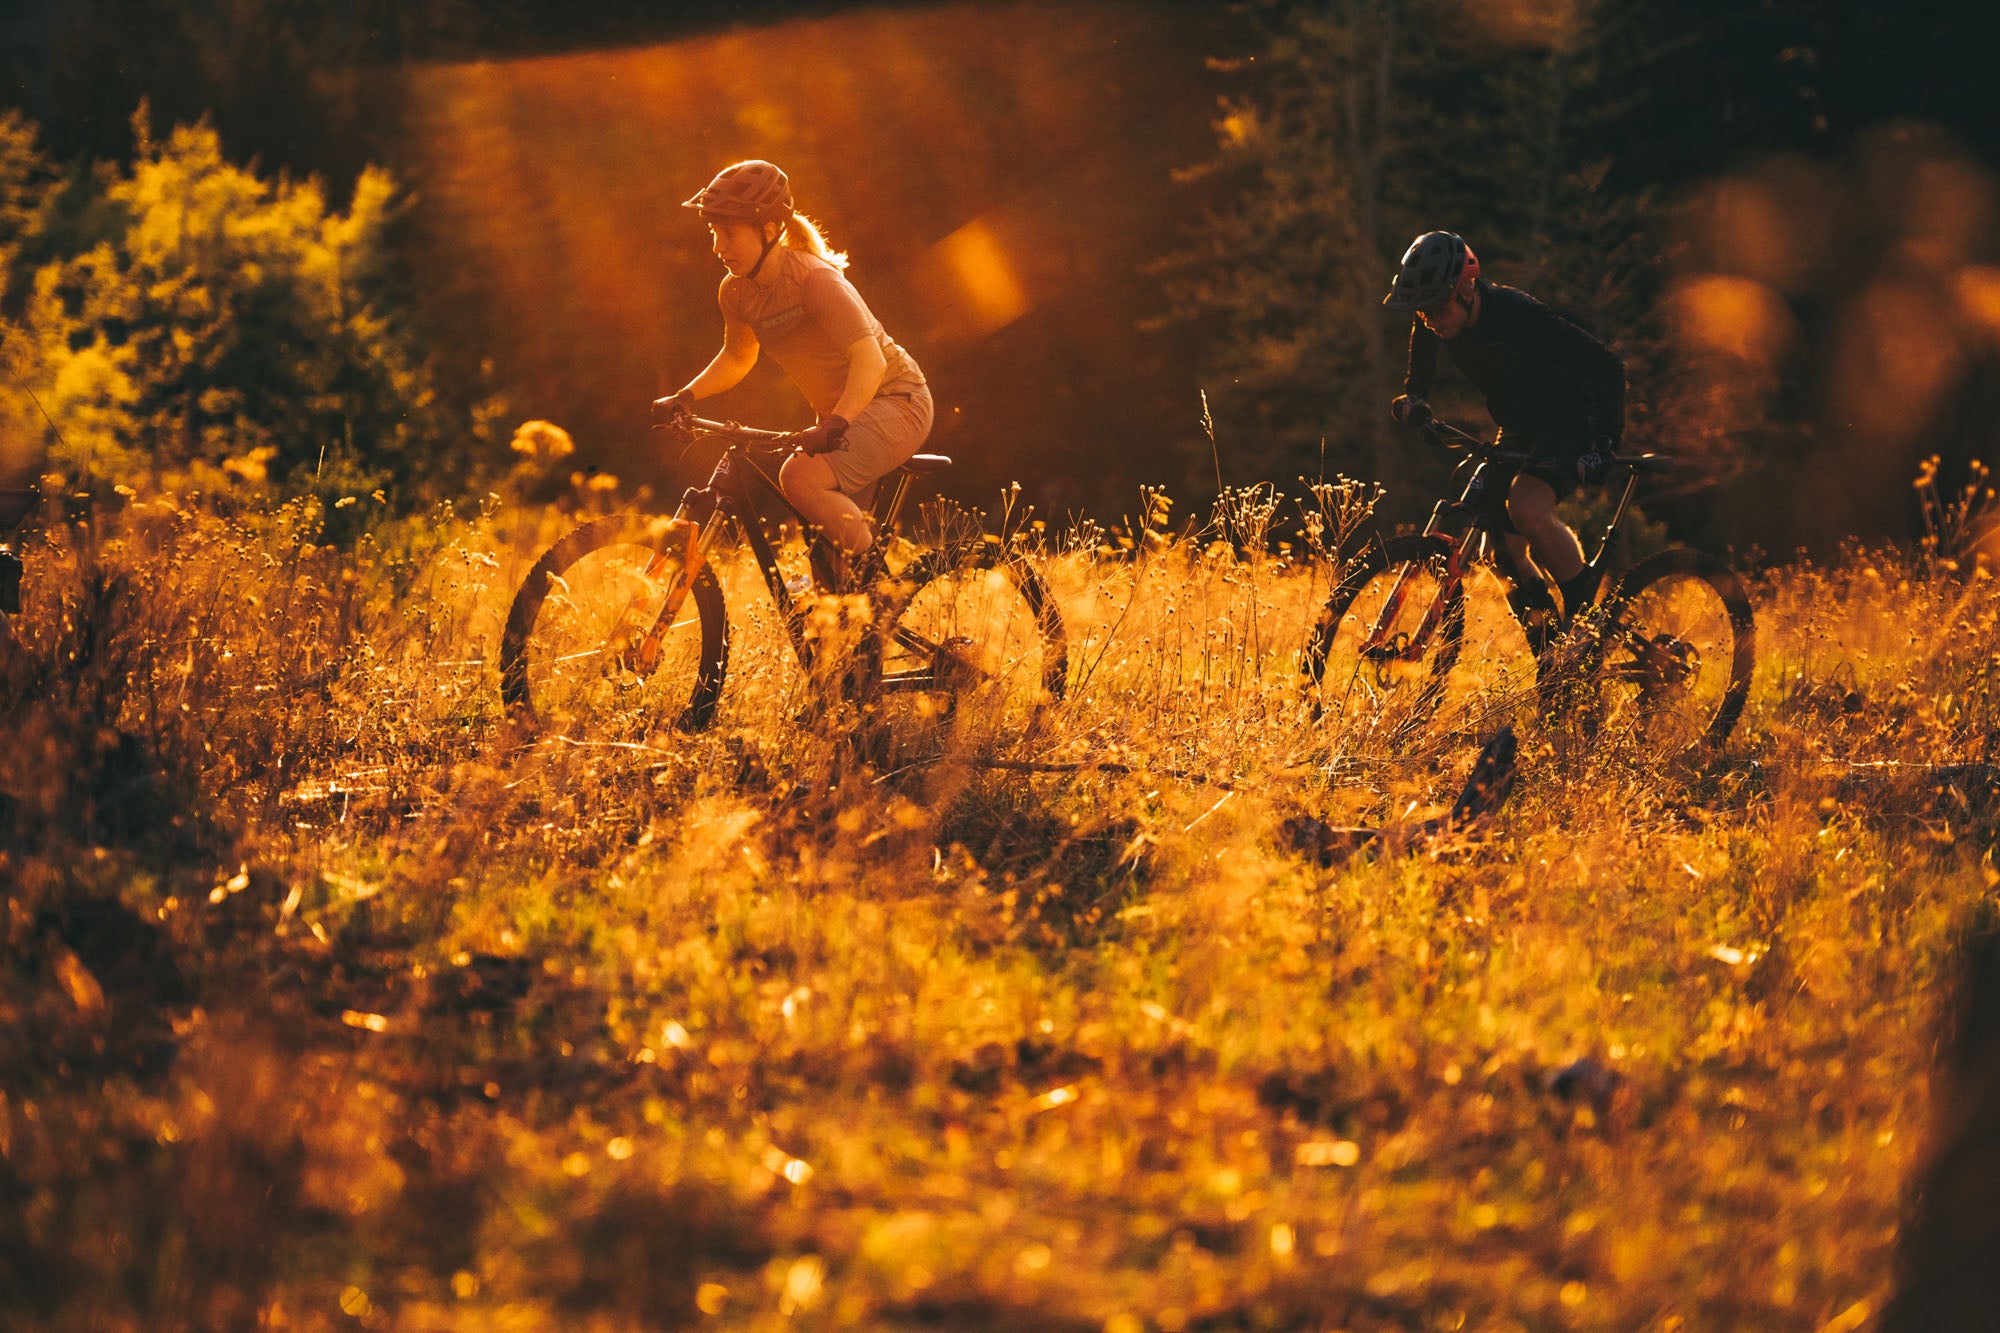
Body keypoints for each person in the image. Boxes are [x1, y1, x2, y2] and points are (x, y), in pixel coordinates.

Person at [653, 160, 933, 585]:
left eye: (728, 233)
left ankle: (884, 592)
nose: (717, 246)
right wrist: (686, 396)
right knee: (829, 579)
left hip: (897, 401)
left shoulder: (816, 281)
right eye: (714, 232)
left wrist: (836, 422)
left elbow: (870, 361)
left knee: (798, 476)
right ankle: (859, 629)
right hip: (842, 418)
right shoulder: (737, 291)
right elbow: (737, 357)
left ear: (769, 229)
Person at [1382, 230, 1625, 645]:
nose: (1431, 321)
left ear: (1466, 290)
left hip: (1571, 419)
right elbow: (1423, 339)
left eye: (1438, 310)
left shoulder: (1517, 314)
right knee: (1503, 554)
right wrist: (1416, 395)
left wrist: (1605, 443)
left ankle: (1587, 624)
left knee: (1526, 507)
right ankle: (1551, 657)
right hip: (1518, 425)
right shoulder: (1435, 318)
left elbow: (1607, 367)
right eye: (1423, 313)